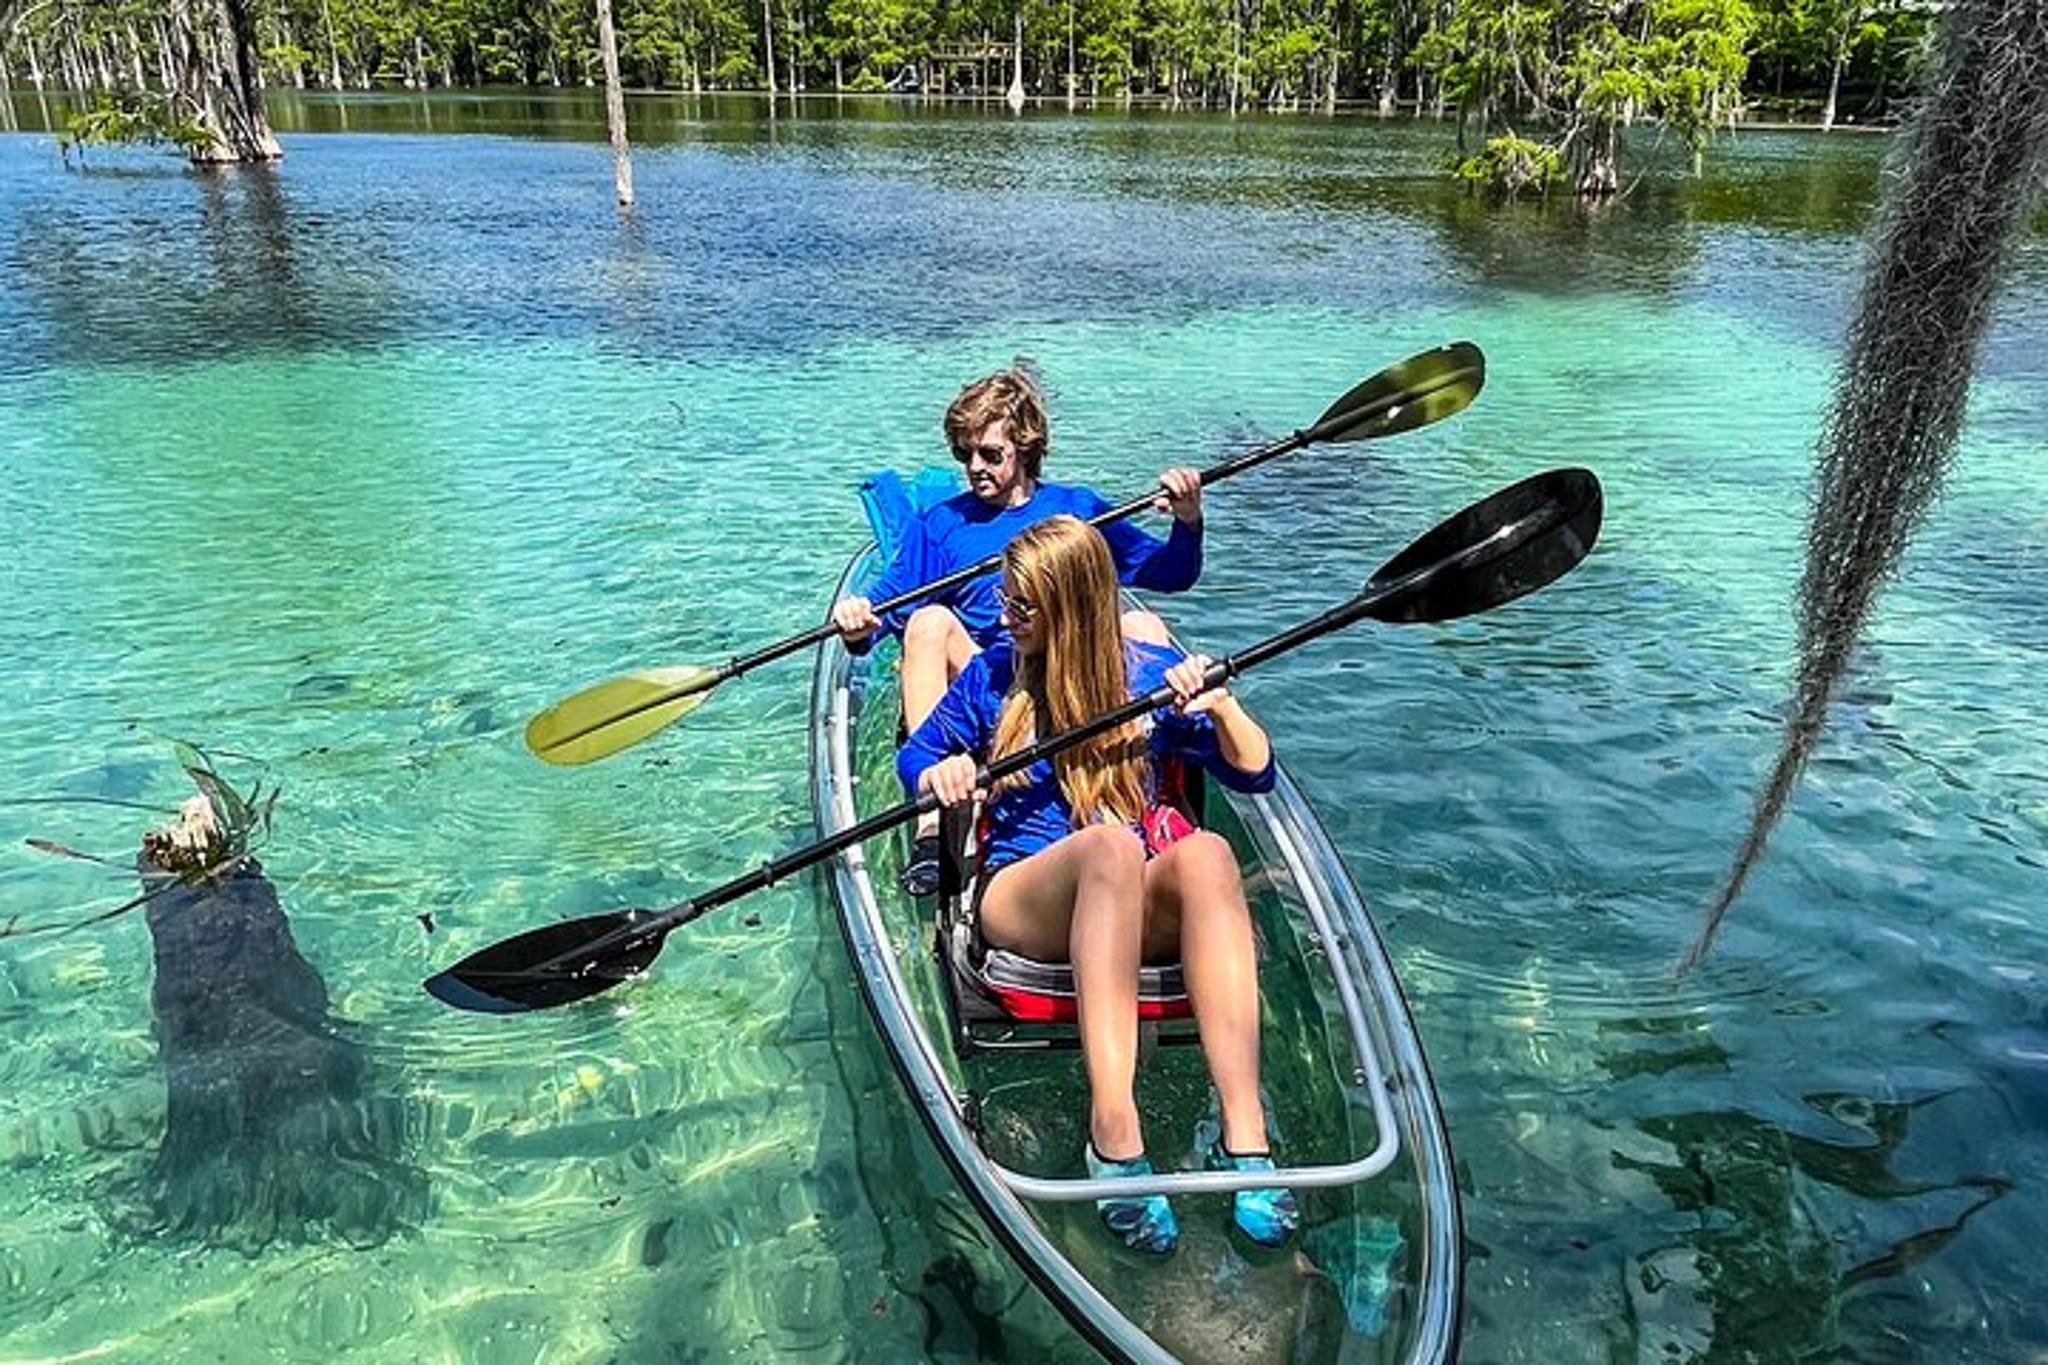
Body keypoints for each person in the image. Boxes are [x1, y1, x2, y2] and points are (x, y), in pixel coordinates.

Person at [897, 515, 1298, 1255]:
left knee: (1208, 854)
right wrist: (939, 773)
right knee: (1111, 846)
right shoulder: (993, 676)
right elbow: (916, 755)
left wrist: (1221, 703)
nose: (1006, 617)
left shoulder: (1146, 677)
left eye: (1022, 605)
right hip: (1022, 899)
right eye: (1006, 599)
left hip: (1122, 899)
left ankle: (1247, 1141)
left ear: (1072, 605)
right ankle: (1113, 1132)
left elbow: (1256, 772)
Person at [833, 366, 1206, 897]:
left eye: (989, 454)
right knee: (927, 621)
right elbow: (881, 613)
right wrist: (857, 623)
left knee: (1143, 623)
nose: (974, 468)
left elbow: (1171, 573)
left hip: (1076, 673)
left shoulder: (1077, 511)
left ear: (1026, 447)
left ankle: (1165, 787)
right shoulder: (941, 524)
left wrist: (1187, 522)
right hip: (990, 680)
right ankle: (933, 826)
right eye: (964, 454)